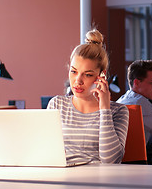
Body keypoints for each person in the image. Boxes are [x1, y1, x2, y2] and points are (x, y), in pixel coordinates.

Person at [47, 29, 129, 164]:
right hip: (62, 178)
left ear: (101, 75)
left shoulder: (118, 112)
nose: (77, 81)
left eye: (88, 74)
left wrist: (104, 109)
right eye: (74, 71)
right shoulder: (56, 105)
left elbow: (110, 161)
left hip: (98, 181)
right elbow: (46, 151)